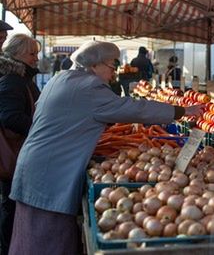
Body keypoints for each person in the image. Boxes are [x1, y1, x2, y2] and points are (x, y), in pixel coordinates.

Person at [8, 41, 203, 255]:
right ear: (94, 65)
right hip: (52, 174)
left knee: (29, 237)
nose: (114, 72)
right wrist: (181, 111)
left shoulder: (61, 78)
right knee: (46, 241)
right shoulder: (90, 87)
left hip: (34, 166)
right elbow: (133, 108)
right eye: (112, 66)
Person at [0, 34, 40, 255]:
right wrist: (39, 131)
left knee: (13, 203)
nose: (36, 58)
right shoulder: (13, 80)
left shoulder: (21, 77)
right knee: (12, 204)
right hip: (16, 152)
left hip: (22, 152)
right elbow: (10, 117)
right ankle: (8, 249)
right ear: (16, 55)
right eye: (32, 53)